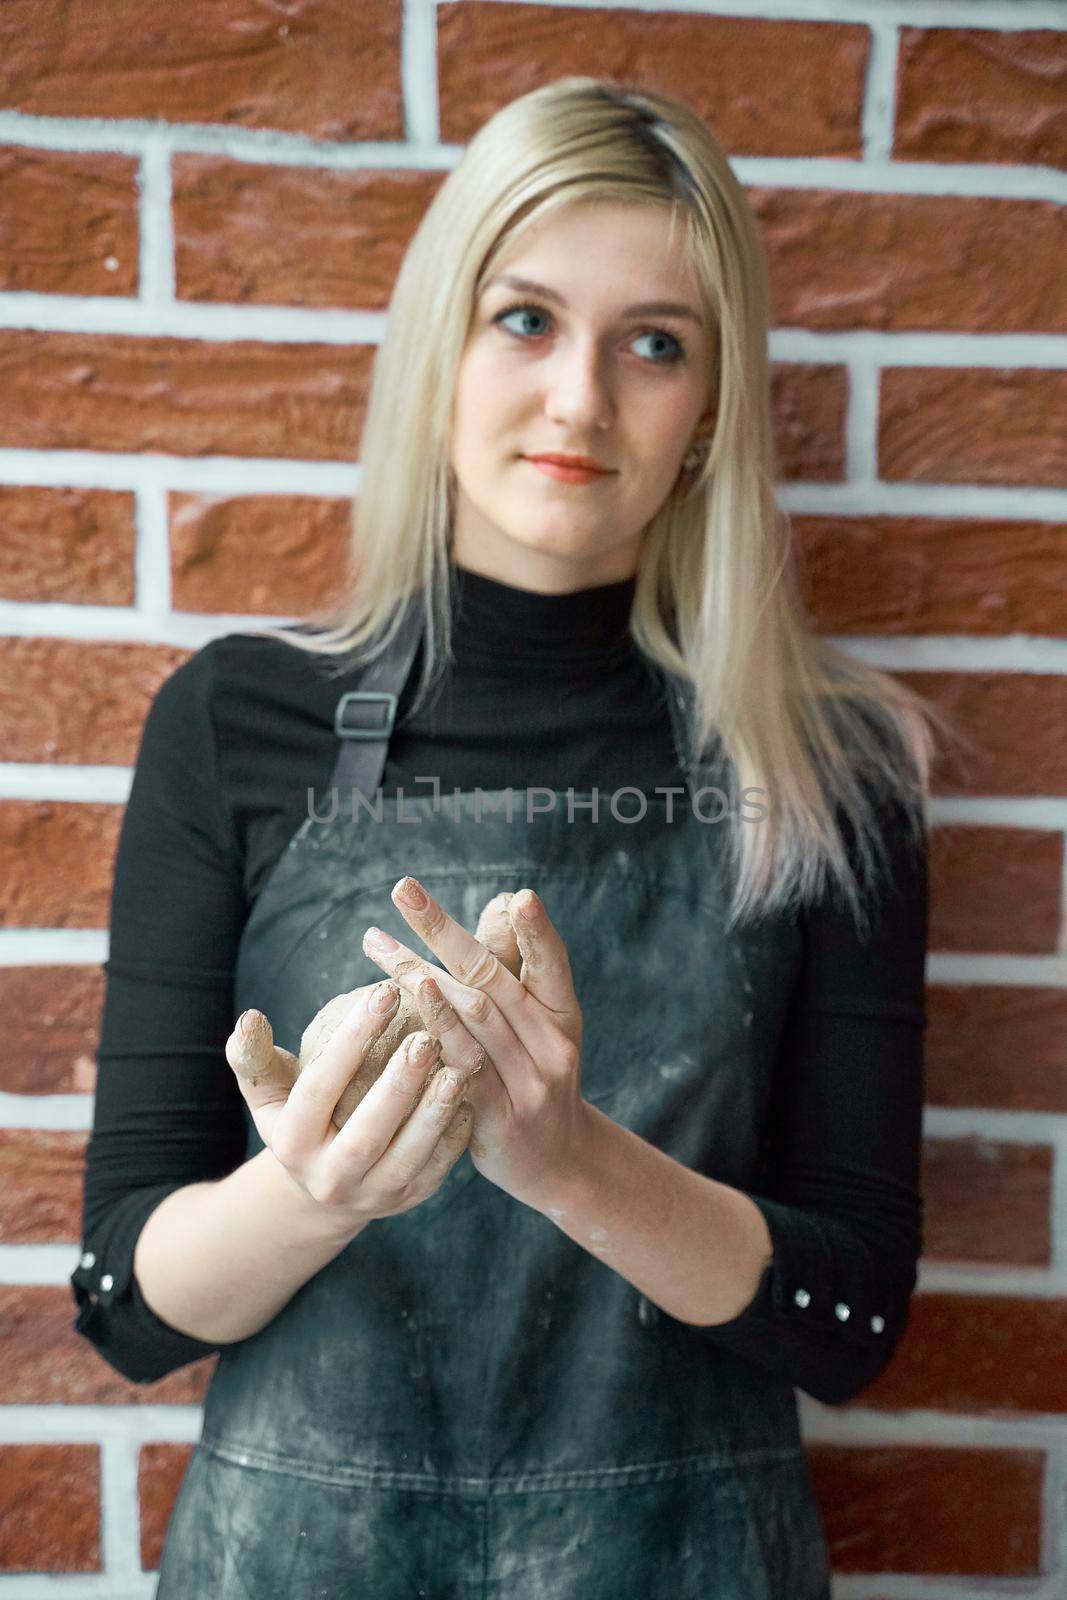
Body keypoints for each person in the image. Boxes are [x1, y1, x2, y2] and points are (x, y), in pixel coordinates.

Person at [71, 76, 957, 1599]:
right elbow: (127, 1307)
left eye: (655, 345)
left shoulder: (830, 771)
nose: (579, 401)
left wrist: (571, 1164)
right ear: (439, 350)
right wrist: (314, 1191)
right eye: (527, 321)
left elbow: (849, 1324)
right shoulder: (235, 718)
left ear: (711, 411)